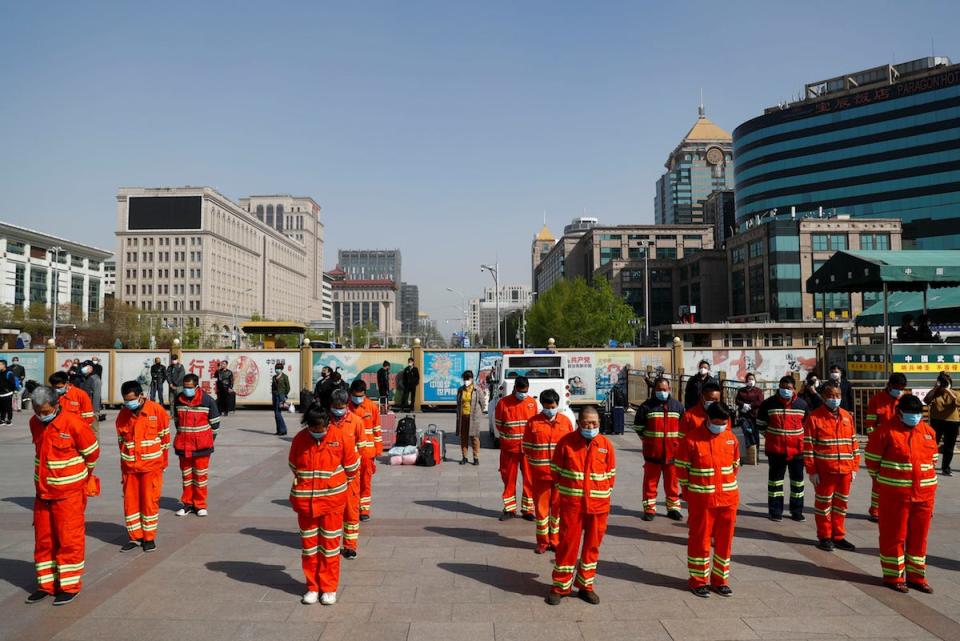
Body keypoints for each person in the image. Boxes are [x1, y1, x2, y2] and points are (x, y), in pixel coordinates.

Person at [25, 386, 100, 606]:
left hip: (69, 494)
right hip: (43, 493)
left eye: (45, 410)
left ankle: (69, 586)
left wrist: (79, 477)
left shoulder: (74, 424)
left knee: (69, 540)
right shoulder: (34, 424)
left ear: (56, 405)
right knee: (44, 540)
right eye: (37, 411)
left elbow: (92, 453)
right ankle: (46, 584)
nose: (41, 415)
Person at [288, 403, 360, 605]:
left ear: (328, 424)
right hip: (306, 505)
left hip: (332, 503)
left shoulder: (341, 438)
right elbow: (293, 465)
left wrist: (334, 483)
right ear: (307, 425)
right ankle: (312, 587)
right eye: (313, 429)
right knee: (309, 548)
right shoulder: (300, 440)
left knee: (329, 547)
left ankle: (328, 588)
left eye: (321, 429)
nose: (317, 433)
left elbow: (353, 467)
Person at [866, 394, 938, 594]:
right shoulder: (885, 432)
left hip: (924, 497)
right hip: (895, 496)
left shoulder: (928, 432)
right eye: (911, 414)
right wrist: (887, 484)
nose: (915, 417)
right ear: (899, 413)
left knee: (919, 538)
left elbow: (932, 461)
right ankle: (893, 576)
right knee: (894, 537)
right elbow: (872, 463)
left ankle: (916, 577)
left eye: (918, 414)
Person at [546, 406, 616, 606]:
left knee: (592, 548)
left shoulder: (605, 445)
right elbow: (556, 471)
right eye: (586, 423)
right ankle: (560, 587)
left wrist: (602, 495)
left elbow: (611, 475)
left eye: (594, 423)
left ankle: (586, 586)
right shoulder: (566, 443)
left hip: (598, 507)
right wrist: (568, 494)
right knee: (567, 546)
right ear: (579, 423)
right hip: (572, 506)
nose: (590, 427)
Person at [675, 402, 739, 597]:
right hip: (702, 501)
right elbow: (681, 469)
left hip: (728, 500)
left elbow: (735, 466)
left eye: (724, 422)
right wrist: (689, 494)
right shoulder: (691, 440)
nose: (720, 426)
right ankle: (698, 580)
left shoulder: (730, 438)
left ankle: (720, 580)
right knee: (700, 540)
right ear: (708, 419)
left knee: (724, 541)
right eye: (717, 422)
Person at [803, 381, 859, 552]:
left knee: (841, 505)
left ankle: (839, 536)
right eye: (831, 396)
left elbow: (854, 443)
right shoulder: (814, 417)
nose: (835, 399)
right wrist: (812, 471)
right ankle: (825, 536)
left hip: (845, 471)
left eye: (838, 396)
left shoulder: (847, 417)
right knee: (823, 505)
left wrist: (855, 467)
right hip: (825, 471)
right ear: (824, 397)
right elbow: (808, 447)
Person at [115, 380, 170, 553]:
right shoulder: (123, 415)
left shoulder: (156, 410)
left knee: (149, 503)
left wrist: (162, 464)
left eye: (131, 399)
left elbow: (165, 439)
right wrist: (125, 465)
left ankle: (149, 538)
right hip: (130, 468)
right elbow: (121, 442)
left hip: (151, 468)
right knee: (130, 504)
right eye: (125, 400)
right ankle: (135, 537)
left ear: (141, 396)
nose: (128, 403)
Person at [523, 389, 573, 552]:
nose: (549, 409)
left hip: (561, 476)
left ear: (557, 404)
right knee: (541, 510)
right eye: (545, 406)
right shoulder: (533, 423)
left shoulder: (566, 422)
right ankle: (542, 542)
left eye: (551, 406)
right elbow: (527, 447)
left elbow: (571, 447)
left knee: (558, 511)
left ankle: (555, 540)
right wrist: (536, 464)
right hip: (540, 475)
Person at [757, 375, 809, 522]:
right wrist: (772, 437)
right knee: (775, 482)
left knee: (797, 482)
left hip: (797, 451)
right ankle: (775, 511)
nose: (786, 390)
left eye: (789, 388)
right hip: (776, 450)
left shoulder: (802, 405)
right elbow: (761, 424)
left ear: (794, 389)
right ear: (778, 387)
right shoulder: (768, 404)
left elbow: (807, 426)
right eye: (783, 387)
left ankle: (796, 511)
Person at [633, 376, 685, 521]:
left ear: (669, 389)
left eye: (664, 389)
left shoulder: (677, 406)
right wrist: (648, 441)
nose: (662, 392)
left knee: (672, 484)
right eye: (659, 389)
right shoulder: (646, 407)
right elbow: (638, 427)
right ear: (654, 390)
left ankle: (673, 508)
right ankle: (649, 509)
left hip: (673, 453)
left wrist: (677, 444)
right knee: (650, 482)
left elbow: (683, 428)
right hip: (652, 453)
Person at [173, 374, 221, 517]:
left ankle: (200, 505)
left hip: (202, 447)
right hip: (184, 446)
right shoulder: (179, 400)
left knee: (200, 477)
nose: (187, 390)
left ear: (197, 386)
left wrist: (206, 439)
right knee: (187, 476)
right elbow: (177, 421)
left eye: (190, 387)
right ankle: (187, 504)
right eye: (185, 387)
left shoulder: (207, 401)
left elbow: (215, 425)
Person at [864, 373, 907, 521]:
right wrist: (876, 442)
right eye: (897, 388)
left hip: (901, 446)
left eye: (902, 388)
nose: (899, 391)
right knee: (878, 481)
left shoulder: (905, 400)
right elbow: (870, 424)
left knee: (900, 481)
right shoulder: (877, 400)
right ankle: (875, 510)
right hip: (882, 446)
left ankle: (896, 510)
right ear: (889, 385)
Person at [495, 376, 538, 521]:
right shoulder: (503, 403)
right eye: (521, 391)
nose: (523, 394)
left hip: (527, 450)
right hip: (509, 449)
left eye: (525, 391)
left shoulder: (532, 403)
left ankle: (527, 510)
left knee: (530, 480)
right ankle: (509, 509)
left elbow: (534, 425)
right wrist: (508, 439)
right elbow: (499, 424)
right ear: (515, 388)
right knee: (508, 479)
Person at [328, 389, 366, 558]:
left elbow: (362, 447)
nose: (338, 410)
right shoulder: (326, 421)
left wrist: (362, 466)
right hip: (331, 475)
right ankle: (332, 543)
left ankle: (350, 545)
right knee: (331, 512)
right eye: (335, 407)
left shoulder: (356, 422)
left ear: (346, 404)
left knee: (351, 511)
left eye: (341, 406)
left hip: (351, 474)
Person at [348, 380, 381, 521]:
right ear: (351, 394)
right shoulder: (345, 407)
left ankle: (364, 509)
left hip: (367, 452)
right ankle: (351, 507)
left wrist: (377, 450)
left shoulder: (371, 407)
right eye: (355, 396)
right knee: (351, 481)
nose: (358, 399)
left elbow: (377, 429)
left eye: (361, 396)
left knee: (365, 481)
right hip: (350, 452)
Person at [924, 372, 958, 476]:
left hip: (952, 421)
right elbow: (926, 400)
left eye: (945, 383)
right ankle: (929, 466)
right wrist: (935, 389)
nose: (943, 385)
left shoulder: (955, 393)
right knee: (932, 445)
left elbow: (958, 402)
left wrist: (948, 391)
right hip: (936, 420)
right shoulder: (935, 393)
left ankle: (946, 468)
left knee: (949, 446)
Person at [456, 370, 487, 465]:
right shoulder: (461, 390)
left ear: (472, 379)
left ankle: (475, 457)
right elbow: (458, 403)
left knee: (474, 437)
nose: (466, 381)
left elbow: (482, 403)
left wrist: (478, 414)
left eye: (468, 379)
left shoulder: (477, 390)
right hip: (463, 416)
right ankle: (464, 457)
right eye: (464, 379)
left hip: (473, 417)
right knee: (463, 437)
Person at [735, 373, 765, 466]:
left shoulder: (758, 391)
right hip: (744, 415)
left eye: (752, 379)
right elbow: (737, 400)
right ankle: (745, 455)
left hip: (754, 415)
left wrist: (751, 406)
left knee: (755, 434)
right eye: (749, 379)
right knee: (745, 432)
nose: (750, 381)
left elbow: (760, 401)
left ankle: (755, 455)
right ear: (746, 381)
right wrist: (743, 405)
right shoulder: (741, 390)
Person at [272, 363, 291, 436]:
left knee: (278, 413)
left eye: (278, 368)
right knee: (276, 414)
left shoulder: (285, 377)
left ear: (281, 369)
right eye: (276, 368)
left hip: (281, 395)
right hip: (275, 395)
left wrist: (284, 395)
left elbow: (288, 387)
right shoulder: (274, 377)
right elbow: (273, 387)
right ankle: (279, 430)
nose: (277, 370)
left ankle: (283, 430)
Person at [0, 359, 19, 425]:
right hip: (1, 394)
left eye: (0, 365)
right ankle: (2, 420)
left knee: (8, 407)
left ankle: (9, 420)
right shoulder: (0, 373)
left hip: (8, 393)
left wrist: (11, 391)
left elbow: (13, 383)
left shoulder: (9, 373)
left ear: (4, 365)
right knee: (2, 408)